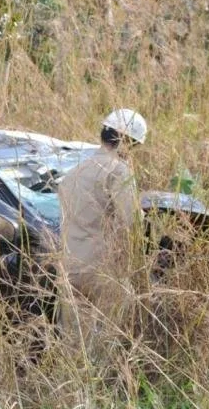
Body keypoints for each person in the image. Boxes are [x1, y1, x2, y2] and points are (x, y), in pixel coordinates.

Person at [57, 108, 147, 353]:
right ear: (129, 143)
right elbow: (132, 222)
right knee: (105, 341)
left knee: (73, 342)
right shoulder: (119, 171)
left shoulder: (75, 172)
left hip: (68, 264)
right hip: (100, 269)